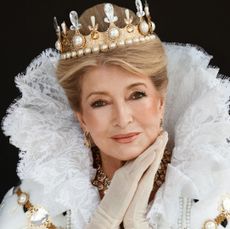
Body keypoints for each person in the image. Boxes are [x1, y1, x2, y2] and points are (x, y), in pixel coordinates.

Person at [0, 1, 230, 228]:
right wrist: (103, 222)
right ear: (82, 118)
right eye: (100, 102)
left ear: (160, 101)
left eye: (137, 95)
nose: (122, 118)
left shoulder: (216, 192)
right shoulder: (42, 200)